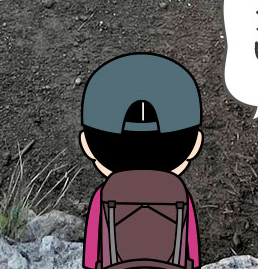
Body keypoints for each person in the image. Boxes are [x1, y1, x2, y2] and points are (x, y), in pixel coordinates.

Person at [79, 53, 203, 269]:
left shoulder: (103, 194)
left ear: (88, 145)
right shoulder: (179, 191)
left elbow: (91, 259)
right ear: (194, 146)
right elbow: (192, 255)